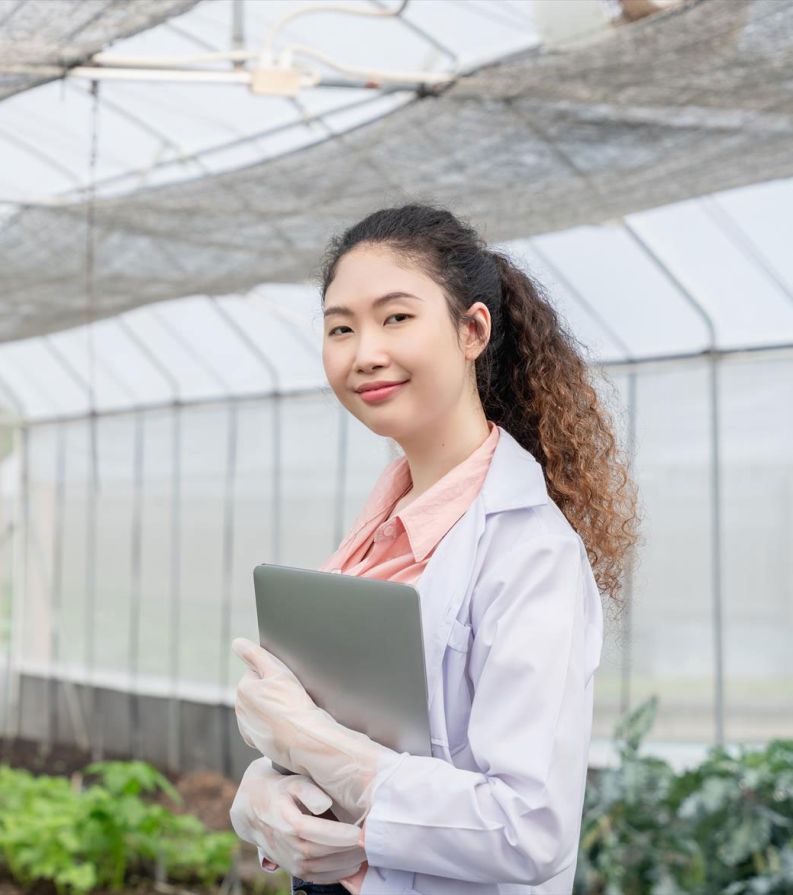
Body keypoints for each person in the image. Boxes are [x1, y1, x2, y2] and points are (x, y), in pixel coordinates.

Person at [227, 204, 641, 894]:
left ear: (472, 329)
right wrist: (268, 798)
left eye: (395, 317)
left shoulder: (530, 553)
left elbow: (529, 825)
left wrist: (319, 748)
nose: (364, 352)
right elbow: (362, 739)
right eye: (340, 328)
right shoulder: (377, 531)